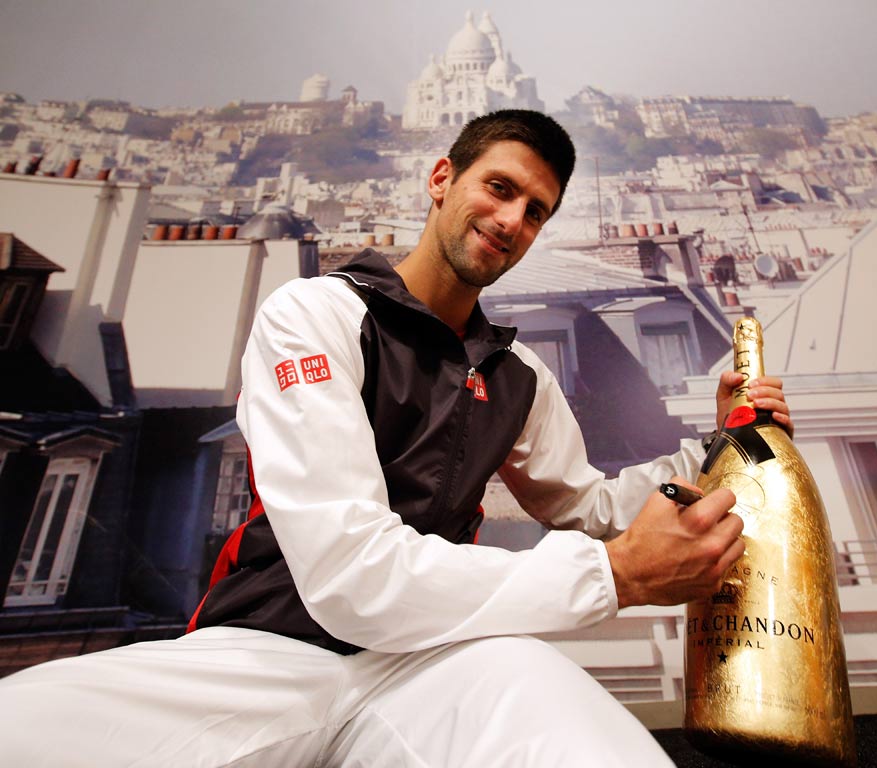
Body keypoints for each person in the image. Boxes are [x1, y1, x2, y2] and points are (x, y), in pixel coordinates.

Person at [0, 109, 792, 767]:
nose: (513, 220)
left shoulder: (519, 376)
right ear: (442, 180)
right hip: (265, 652)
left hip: (437, 656)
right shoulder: (314, 314)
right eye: (500, 188)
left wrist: (716, 445)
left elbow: (590, 505)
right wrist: (613, 576)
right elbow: (351, 572)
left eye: (536, 211)